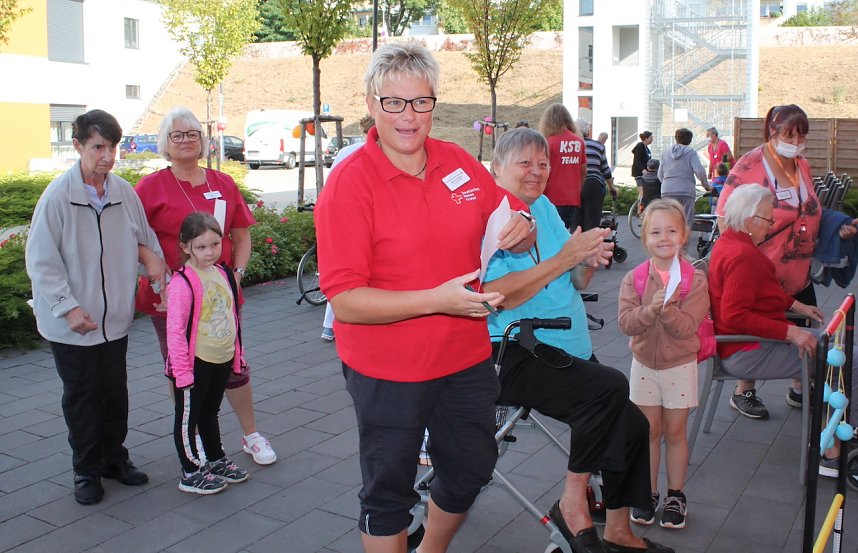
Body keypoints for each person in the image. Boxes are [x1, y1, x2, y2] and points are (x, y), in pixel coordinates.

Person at [314, 42, 536, 553]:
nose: (408, 116)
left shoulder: (457, 162)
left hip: (462, 356)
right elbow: (345, 300)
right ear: (371, 104)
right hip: (386, 366)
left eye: (420, 102)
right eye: (394, 102)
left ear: (434, 103)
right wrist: (435, 300)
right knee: (388, 489)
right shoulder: (350, 184)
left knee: (472, 465)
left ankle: (429, 548)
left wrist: (521, 226)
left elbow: (509, 217)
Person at [485, 128, 674, 553]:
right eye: (525, 163)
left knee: (633, 424)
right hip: (511, 350)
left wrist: (586, 261)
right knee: (608, 388)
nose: (537, 172)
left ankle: (621, 531)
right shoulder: (492, 218)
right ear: (497, 167)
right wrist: (564, 258)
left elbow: (573, 278)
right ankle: (572, 504)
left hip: (563, 344)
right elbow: (500, 297)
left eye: (543, 163)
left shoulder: (546, 208)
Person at [26, 109, 166, 505]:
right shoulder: (58, 196)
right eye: (98, 147)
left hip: (114, 320)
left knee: (114, 393)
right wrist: (68, 308)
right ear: (78, 146)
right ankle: (86, 470)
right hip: (73, 325)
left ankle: (114, 458)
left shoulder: (122, 191)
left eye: (113, 147)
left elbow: (146, 237)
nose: (107, 156)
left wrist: (154, 264)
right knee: (83, 397)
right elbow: (41, 261)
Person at [135, 107, 277, 466]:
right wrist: (157, 275)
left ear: (203, 141)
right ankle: (193, 436)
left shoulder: (222, 183)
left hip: (221, 296)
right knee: (183, 369)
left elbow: (241, 234)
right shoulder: (149, 188)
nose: (186, 140)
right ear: (164, 144)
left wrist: (238, 275)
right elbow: (130, 238)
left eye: (192, 134)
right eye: (177, 135)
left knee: (232, 365)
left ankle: (251, 434)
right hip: (173, 300)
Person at [714, 104, 857, 419]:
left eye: (802, 135)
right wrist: (745, 256)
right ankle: (744, 391)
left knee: (803, 319)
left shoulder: (801, 164)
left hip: (797, 269)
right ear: (772, 132)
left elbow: (810, 207)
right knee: (762, 323)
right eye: (789, 134)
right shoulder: (751, 165)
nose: (796, 141)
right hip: (759, 269)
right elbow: (725, 216)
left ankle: (799, 386)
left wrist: (837, 227)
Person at [709, 185, 826, 452]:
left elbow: (763, 293)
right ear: (749, 220)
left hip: (745, 344)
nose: (771, 225)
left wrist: (798, 306)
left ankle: (829, 436)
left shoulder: (732, 243)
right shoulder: (742, 255)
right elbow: (735, 315)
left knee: (837, 350)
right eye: (767, 219)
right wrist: (792, 333)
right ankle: (831, 447)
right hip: (745, 350)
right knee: (841, 359)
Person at [618, 199, 709, 530]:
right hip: (643, 365)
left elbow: (687, 327)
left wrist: (666, 310)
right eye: (656, 231)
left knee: (675, 432)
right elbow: (626, 323)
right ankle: (648, 492)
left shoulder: (694, 280)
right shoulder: (635, 278)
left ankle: (675, 494)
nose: (664, 237)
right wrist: (648, 311)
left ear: (684, 235)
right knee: (647, 432)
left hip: (679, 367)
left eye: (672, 230)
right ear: (644, 239)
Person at [167, 212, 250, 495]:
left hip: (222, 356)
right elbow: (175, 330)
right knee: (189, 417)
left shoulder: (224, 272)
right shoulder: (183, 282)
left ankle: (215, 459)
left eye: (215, 244)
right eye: (201, 247)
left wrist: (236, 353)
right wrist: (182, 372)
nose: (209, 252)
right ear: (185, 247)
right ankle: (190, 470)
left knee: (210, 412)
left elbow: (230, 315)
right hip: (194, 363)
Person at [321, 114, 376, 342]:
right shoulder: (360, 154)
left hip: (349, 218)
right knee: (351, 278)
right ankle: (332, 324)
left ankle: (328, 326)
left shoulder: (346, 151)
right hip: (356, 220)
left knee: (343, 278)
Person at [539, 103, 586, 231]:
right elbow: (583, 172)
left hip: (552, 197)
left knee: (550, 233)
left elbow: (542, 171)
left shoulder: (549, 142)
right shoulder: (578, 141)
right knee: (564, 232)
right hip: (572, 198)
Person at [657, 128, 709, 238]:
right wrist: (706, 185)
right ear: (690, 140)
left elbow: (660, 174)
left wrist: (667, 183)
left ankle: (669, 249)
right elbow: (699, 170)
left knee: (669, 221)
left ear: (676, 138)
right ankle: (682, 250)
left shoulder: (666, 152)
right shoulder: (691, 152)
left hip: (667, 190)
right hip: (686, 190)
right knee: (686, 222)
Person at [578, 118, 617, 231]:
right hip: (593, 184)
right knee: (592, 220)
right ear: (588, 132)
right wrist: (612, 188)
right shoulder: (598, 146)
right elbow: (605, 170)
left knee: (576, 221)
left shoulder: (573, 146)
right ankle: (591, 242)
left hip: (575, 185)